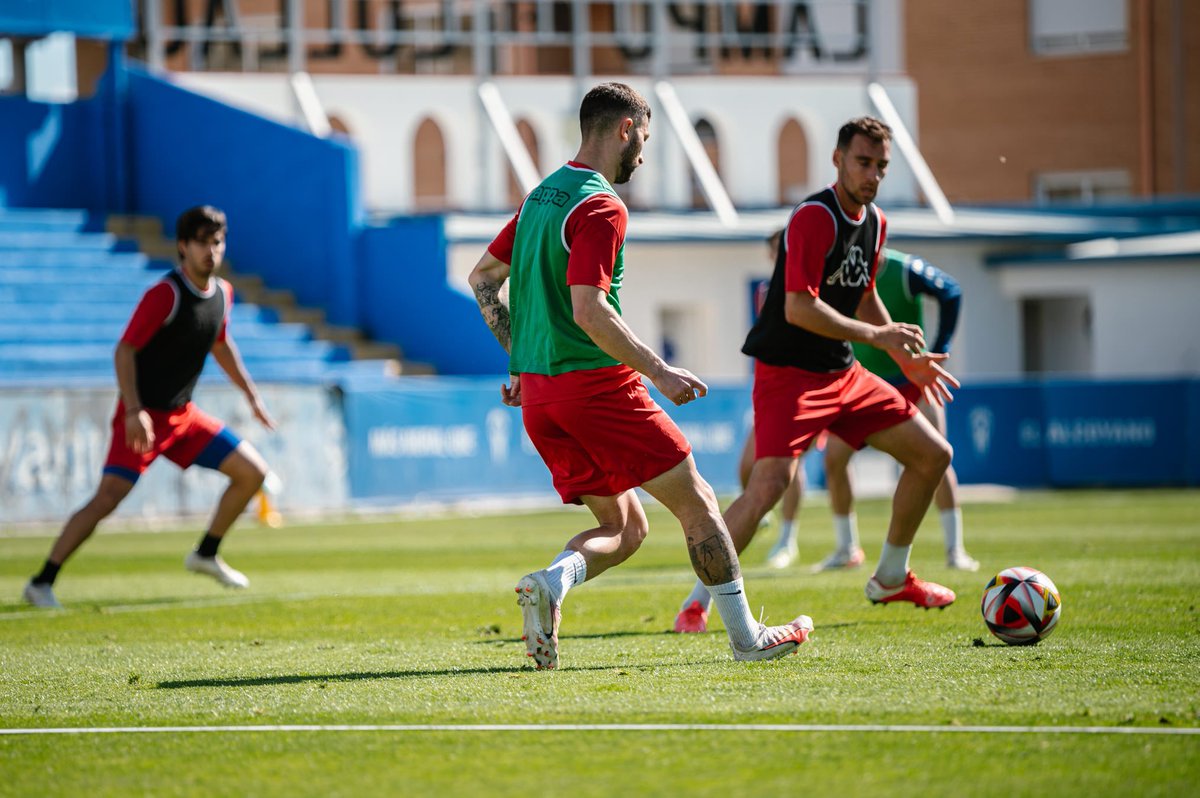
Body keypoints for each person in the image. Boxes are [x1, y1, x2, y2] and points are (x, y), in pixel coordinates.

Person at [467, 82, 812, 669]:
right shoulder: (601, 205)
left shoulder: (539, 198)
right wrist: (659, 371)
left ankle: (551, 583)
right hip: (598, 389)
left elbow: (482, 280)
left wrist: (522, 363)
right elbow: (589, 310)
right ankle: (746, 638)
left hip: (543, 401)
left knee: (626, 526)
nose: (643, 156)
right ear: (625, 129)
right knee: (700, 502)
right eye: (644, 139)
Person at [674, 116, 959, 634]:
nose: (872, 175)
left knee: (933, 454)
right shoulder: (812, 217)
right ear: (837, 160)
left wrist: (902, 355)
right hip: (787, 375)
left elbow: (863, 292)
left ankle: (891, 575)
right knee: (767, 488)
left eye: (881, 166)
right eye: (863, 162)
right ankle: (697, 602)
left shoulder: (876, 222)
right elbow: (800, 308)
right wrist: (880, 339)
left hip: (842, 373)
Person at [22, 206, 276, 609]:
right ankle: (41, 581)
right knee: (107, 499)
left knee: (253, 473)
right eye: (202, 243)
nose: (211, 251)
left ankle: (206, 553)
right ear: (182, 246)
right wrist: (132, 410)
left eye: (217, 242)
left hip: (184, 417)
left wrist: (251, 395)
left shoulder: (223, 294)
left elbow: (221, 344)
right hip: (143, 418)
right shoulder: (166, 294)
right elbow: (124, 350)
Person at [817, 249, 980, 572]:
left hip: (911, 380)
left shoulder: (904, 269)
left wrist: (940, 347)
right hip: (860, 385)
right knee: (834, 459)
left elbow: (950, 291)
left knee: (938, 458)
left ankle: (955, 550)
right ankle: (847, 548)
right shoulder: (838, 271)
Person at [738, 229, 804, 570]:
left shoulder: (809, 285)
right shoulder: (766, 290)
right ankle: (760, 516)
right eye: (776, 250)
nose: (781, 254)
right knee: (748, 466)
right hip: (773, 385)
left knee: (793, 465)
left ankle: (787, 539)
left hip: (807, 382)